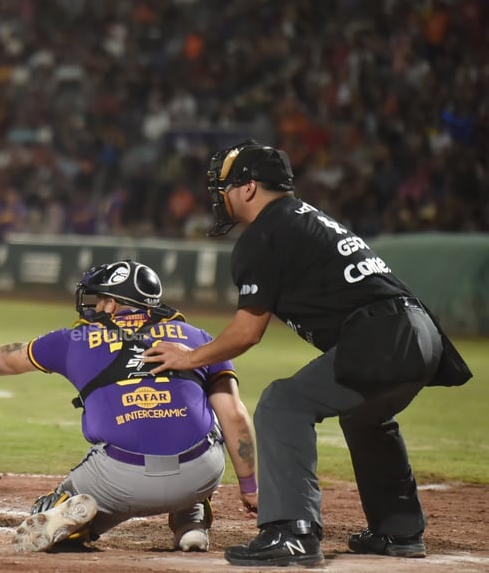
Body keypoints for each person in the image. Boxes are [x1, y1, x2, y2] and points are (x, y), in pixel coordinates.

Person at [142, 140, 472, 566]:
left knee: (282, 404)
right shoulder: (304, 218)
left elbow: (246, 332)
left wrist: (189, 357)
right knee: (365, 415)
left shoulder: (265, 232)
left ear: (248, 189)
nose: (219, 197)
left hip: (383, 334)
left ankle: (291, 532)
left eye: (224, 186)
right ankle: (398, 530)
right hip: (421, 332)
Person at [0, 259, 258, 552]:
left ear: (113, 304)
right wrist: (249, 488)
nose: (96, 306)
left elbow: (9, 359)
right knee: (208, 419)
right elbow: (236, 416)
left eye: (100, 299)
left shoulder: (75, 338)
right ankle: (191, 526)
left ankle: (74, 523)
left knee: (59, 502)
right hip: (200, 474)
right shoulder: (198, 338)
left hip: (119, 477)